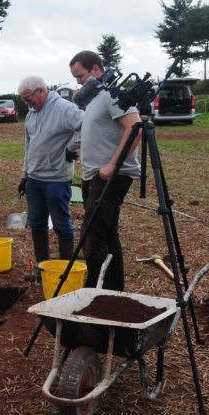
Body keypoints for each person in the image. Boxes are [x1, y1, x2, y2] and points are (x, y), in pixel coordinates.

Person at [69, 50, 142, 291]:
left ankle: (95, 292)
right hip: (94, 176)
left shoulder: (112, 94)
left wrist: (112, 165)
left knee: (93, 234)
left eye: (80, 76)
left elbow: (136, 128)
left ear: (96, 70)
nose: (78, 82)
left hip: (110, 176)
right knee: (107, 234)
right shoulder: (94, 100)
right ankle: (112, 292)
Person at [18, 75, 84, 271]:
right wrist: (24, 175)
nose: (27, 104)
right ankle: (42, 266)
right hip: (34, 180)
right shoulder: (31, 114)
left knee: (61, 225)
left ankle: (65, 270)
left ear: (41, 91)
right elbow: (28, 147)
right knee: (37, 225)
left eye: (29, 99)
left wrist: (71, 147)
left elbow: (86, 125)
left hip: (56, 179)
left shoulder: (64, 108)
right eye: (24, 100)